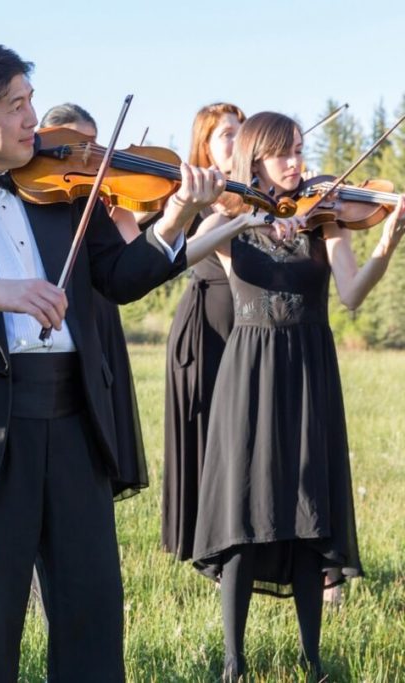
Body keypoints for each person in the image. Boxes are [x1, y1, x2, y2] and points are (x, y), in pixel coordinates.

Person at [0, 43, 225, 681]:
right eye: (17, 106)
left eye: (31, 101)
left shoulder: (63, 191)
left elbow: (116, 278)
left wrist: (176, 218)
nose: (34, 119)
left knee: (91, 613)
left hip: (73, 420)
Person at [189, 111, 405, 680]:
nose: (297, 164)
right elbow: (191, 250)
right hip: (249, 369)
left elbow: (353, 294)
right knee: (241, 509)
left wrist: (386, 243)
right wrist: (243, 222)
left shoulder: (325, 220)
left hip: (310, 367)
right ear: (255, 158)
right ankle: (233, 663)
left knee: (311, 509)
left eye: (300, 152)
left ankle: (313, 659)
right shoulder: (228, 215)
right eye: (284, 153)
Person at [39, 102, 147, 499]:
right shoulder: (43, 198)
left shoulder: (105, 204)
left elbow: (133, 271)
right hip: (62, 310)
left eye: (95, 147)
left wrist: (128, 222)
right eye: (78, 148)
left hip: (101, 315)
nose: (91, 159)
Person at [161, 103, 245, 560]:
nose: (237, 140)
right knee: (207, 428)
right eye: (226, 134)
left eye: (242, 132)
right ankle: (197, 539)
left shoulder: (256, 193)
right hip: (208, 326)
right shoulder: (196, 197)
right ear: (206, 147)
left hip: (251, 326)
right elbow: (176, 256)